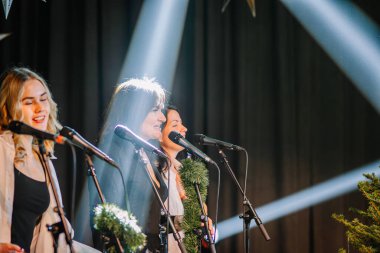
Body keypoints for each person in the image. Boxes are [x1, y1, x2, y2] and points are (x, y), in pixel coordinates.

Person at [0, 67, 99, 253]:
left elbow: (51, 229)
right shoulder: (2, 148)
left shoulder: (42, 157)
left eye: (43, 99)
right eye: (29, 102)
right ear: (11, 107)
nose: (40, 108)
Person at [92, 77, 168, 252]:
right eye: (155, 110)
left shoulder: (143, 152)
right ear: (135, 111)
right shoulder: (113, 151)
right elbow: (108, 217)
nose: (162, 117)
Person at [159, 105, 214, 252]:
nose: (184, 129)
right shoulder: (154, 171)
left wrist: (204, 226)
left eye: (181, 123)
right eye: (175, 124)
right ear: (158, 131)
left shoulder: (182, 172)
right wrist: (189, 221)